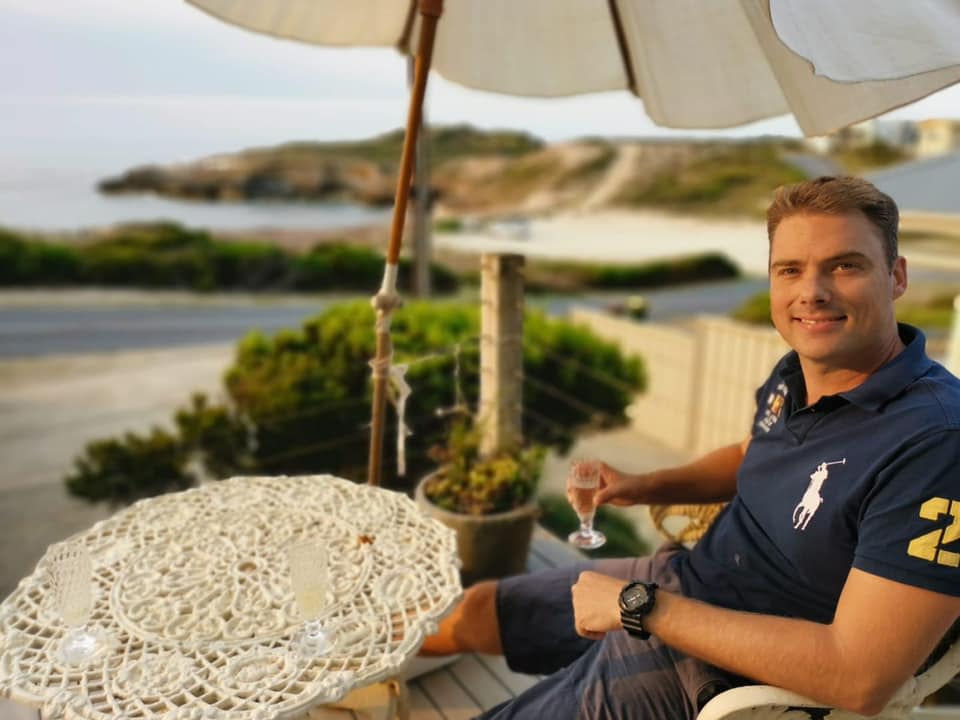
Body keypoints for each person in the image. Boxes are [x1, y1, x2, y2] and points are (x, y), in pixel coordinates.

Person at [421, 176, 960, 719]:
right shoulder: (800, 370)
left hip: (719, 673)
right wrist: (645, 486)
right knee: (482, 609)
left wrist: (641, 608)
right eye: (790, 270)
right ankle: (348, 666)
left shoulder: (936, 445)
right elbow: (757, 454)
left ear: (896, 276)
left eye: (845, 265)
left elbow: (860, 676)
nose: (811, 291)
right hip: (687, 582)